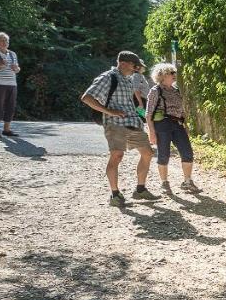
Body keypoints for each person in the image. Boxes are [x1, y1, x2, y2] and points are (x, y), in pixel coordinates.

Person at [80, 51, 158, 206]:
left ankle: (140, 190)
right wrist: (110, 112)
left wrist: (143, 117)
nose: (136, 69)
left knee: (148, 153)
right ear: (123, 63)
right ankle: (115, 195)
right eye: (134, 66)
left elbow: (129, 104)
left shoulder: (128, 80)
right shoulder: (108, 77)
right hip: (115, 124)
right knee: (117, 155)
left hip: (133, 123)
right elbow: (86, 98)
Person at [145, 63, 200, 193]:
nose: (174, 75)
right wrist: (151, 132)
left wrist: (184, 125)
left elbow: (181, 110)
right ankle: (164, 183)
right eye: (171, 73)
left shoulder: (176, 90)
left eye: (174, 73)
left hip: (178, 124)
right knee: (164, 155)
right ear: (162, 76)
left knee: (187, 152)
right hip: (162, 124)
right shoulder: (155, 91)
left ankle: (187, 181)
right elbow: (148, 113)